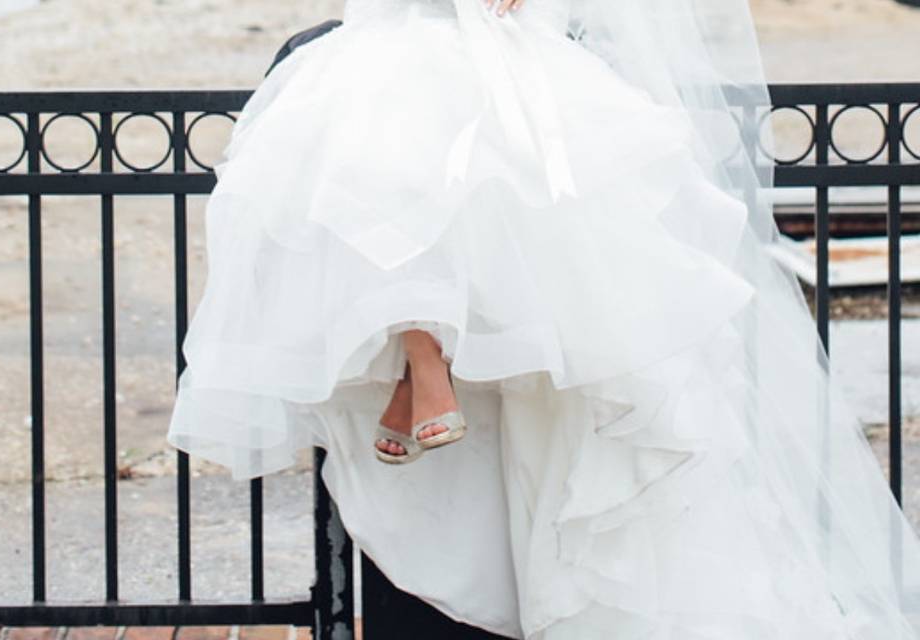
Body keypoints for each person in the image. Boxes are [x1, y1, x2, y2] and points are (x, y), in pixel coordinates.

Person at [166, 0, 920, 636]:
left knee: (393, 140)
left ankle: (423, 360)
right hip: (454, 66)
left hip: (487, 63)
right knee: (393, 140)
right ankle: (423, 358)